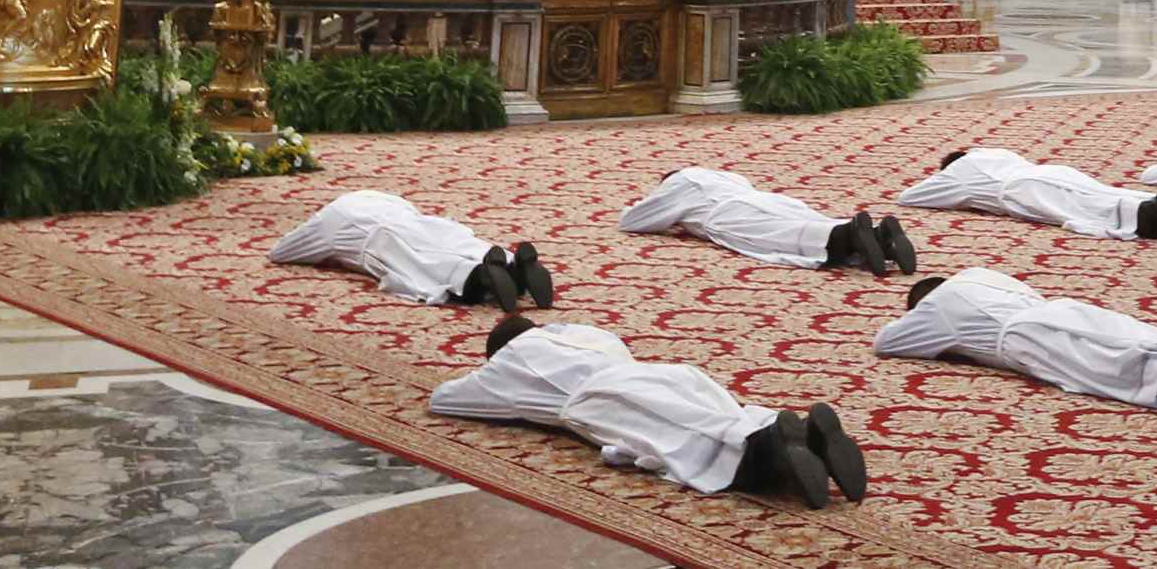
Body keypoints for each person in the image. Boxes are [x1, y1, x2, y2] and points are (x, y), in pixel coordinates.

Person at [431, 315, 867, 507]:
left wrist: (492, 368)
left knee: (681, 436)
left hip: (600, 398)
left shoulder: (508, 365)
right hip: (659, 372)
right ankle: (799, 432)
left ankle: (767, 450)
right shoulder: (582, 336)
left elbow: (445, 399)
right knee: (714, 408)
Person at [876, 266, 1157, 418]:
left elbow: (886, 342)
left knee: (1105, 367)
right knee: (1128, 334)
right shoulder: (978, 273)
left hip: (1024, 337)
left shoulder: (936, 306)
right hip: (1060, 308)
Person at [272, 189, 554, 307]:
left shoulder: (330, 218)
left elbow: (282, 252)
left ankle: (478, 275)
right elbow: (410, 208)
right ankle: (513, 263)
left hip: (377, 237)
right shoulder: (379, 197)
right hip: (420, 221)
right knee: (455, 240)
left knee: (420, 264)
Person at [622, 166, 916, 274]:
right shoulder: (723, 175)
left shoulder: (681, 181)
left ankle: (851, 235)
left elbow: (634, 220)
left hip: (728, 215)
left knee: (784, 238)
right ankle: (880, 238)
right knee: (804, 221)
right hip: (766, 199)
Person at [897, 145, 1157, 241]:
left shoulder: (956, 173)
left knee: (1086, 210)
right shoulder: (994, 152)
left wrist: (945, 178)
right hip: (1050, 171)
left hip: (1021, 190)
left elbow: (909, 197)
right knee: (1099, 193)